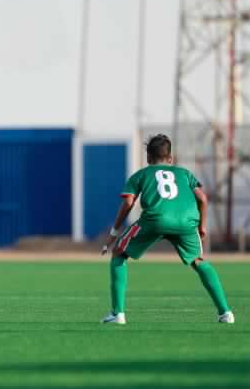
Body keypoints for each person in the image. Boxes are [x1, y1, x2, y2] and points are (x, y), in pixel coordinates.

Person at [100, 133, 234, 325]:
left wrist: (114, 231)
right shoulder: (185, 174)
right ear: (171, 158)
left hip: (155, 219)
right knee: (199, 261)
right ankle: (225, 312)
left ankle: (117, 313)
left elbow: (129, 202)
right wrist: (202, 226)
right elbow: (203, 199)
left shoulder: (141, 175)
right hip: (187, 223)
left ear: (148, 159)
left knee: (119, 254)